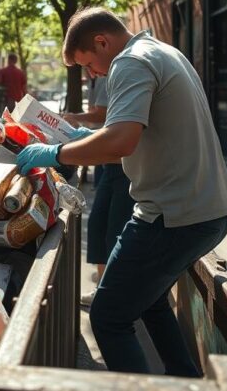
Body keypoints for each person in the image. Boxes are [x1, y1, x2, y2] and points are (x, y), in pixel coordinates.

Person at [16, 7, 227, 376]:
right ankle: (185, 381)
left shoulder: (129, 63)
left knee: (107, 317)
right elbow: (142, 137)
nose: (92, 75)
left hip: (172, 215)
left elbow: (120, 142)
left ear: (103, 42)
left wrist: (55, 152)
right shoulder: (165, 52)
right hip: (208, 211)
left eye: (89, 64)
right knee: (149, 301)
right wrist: (89, 138)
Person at [61, 77, 133, 308]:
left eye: (88, 63)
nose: (88, 70)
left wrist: (61, 152)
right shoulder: (101, 76)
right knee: (98, 225)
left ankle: (112, 293)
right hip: (110, 166)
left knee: (114, 230)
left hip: (124, 167)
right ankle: (103, 287)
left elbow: (103, 116)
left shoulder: (115, 73)